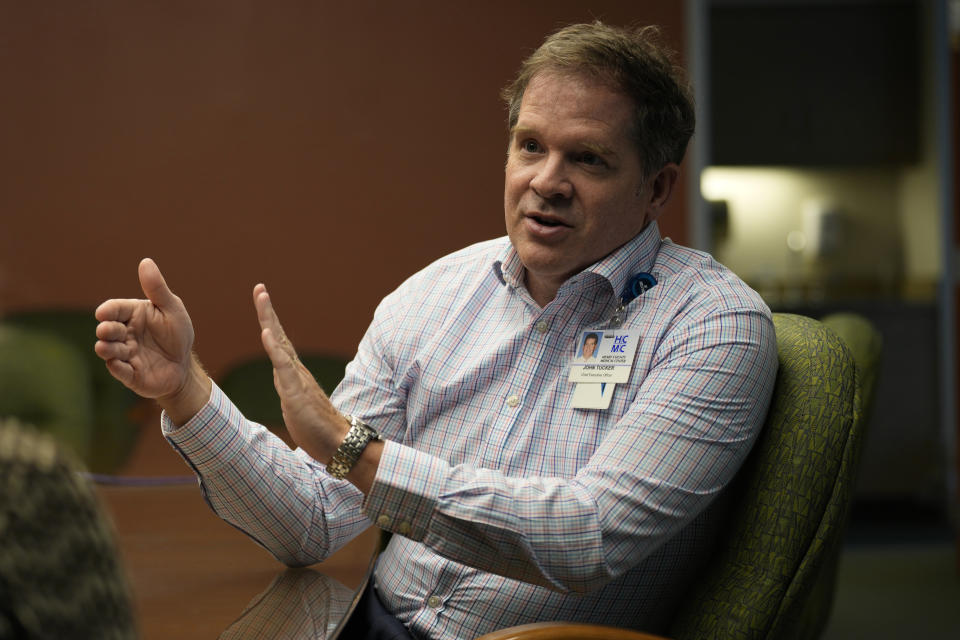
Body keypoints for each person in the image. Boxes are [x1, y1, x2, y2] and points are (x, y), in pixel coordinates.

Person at [94, 21, 777, 639]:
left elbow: (588, 537)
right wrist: (185, 390)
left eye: (588, 159)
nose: (547, 181)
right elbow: (312, 521)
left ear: (658, 188)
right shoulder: (436, 295)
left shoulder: (712, 325)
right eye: (529, 146)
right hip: (364, 622)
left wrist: (354, 451)